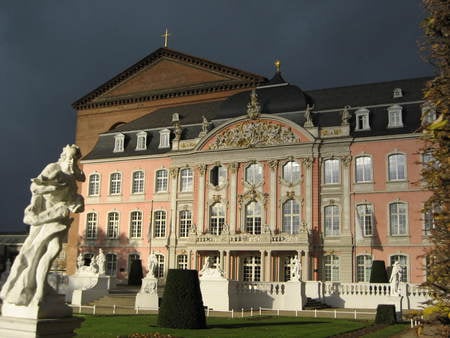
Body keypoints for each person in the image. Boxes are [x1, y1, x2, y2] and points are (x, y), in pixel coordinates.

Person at [0, 144, 85, 306]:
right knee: (33, 252)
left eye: (74, 158)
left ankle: (39, 289)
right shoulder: (54, 168)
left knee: (52, 250)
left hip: (59, 218)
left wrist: (78, 202)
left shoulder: (72, 177)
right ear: (63, 156)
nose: (71, 160)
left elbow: (73, 200)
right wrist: (53, 187)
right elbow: (35, 186)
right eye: (69, 157)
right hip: (44, 217)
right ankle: (25, 288)